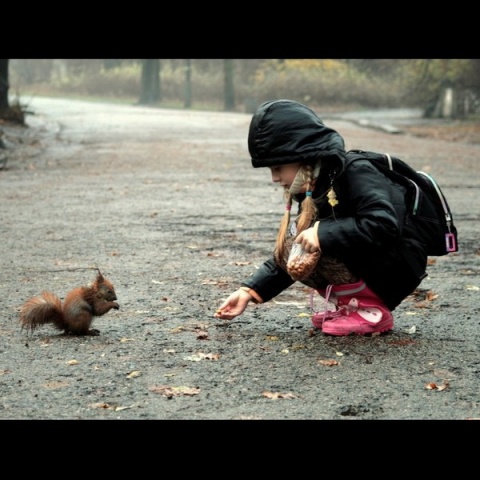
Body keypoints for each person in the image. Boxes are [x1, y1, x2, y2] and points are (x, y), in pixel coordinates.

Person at [214, 99, 429, 336]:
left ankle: (373, 311)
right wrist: (250, 291)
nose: (275, 178)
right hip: (373, 261)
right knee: (296, 243)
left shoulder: (356, 171)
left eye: (278, 168)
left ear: (303, 157)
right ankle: (351, 306)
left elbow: (384, 224)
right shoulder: (312, 188)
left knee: (311, 239)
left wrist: (322, 233)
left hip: (398, 264)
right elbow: (290, 252)